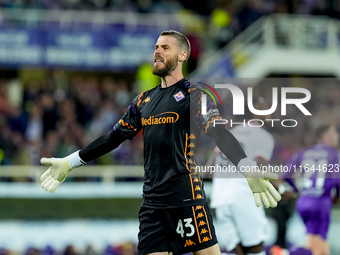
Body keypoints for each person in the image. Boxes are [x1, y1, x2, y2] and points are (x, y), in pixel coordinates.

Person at [39, 30, 281, 255]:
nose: (157, 51)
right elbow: (114, 138)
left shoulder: (195, 94)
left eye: (165, 47)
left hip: (186, 198)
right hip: (152, 205)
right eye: (156, 46)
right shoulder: (143, 101)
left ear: (182, 55)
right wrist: (70, 162)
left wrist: (247, 167)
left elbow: (219, 132)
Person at [271, 124, 340, 255]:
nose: (337, 136)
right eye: (334, 133)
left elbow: (284, 175)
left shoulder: (303, 152)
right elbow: (337, 179)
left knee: (322, 247)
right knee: (315, 248)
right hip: (320, 202)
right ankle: (284, 253)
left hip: (304, 201)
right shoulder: (333, 154)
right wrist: (337, 196)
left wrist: (298, 189)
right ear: (325, 136)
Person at [209, 117, 275, 255]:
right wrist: (279, 187)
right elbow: (260, 169)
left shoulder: (229, 133)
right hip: (243, 194)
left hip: (220, 197)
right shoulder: (263, 136)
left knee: (237, 250)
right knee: (255, 247)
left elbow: (209, 171)